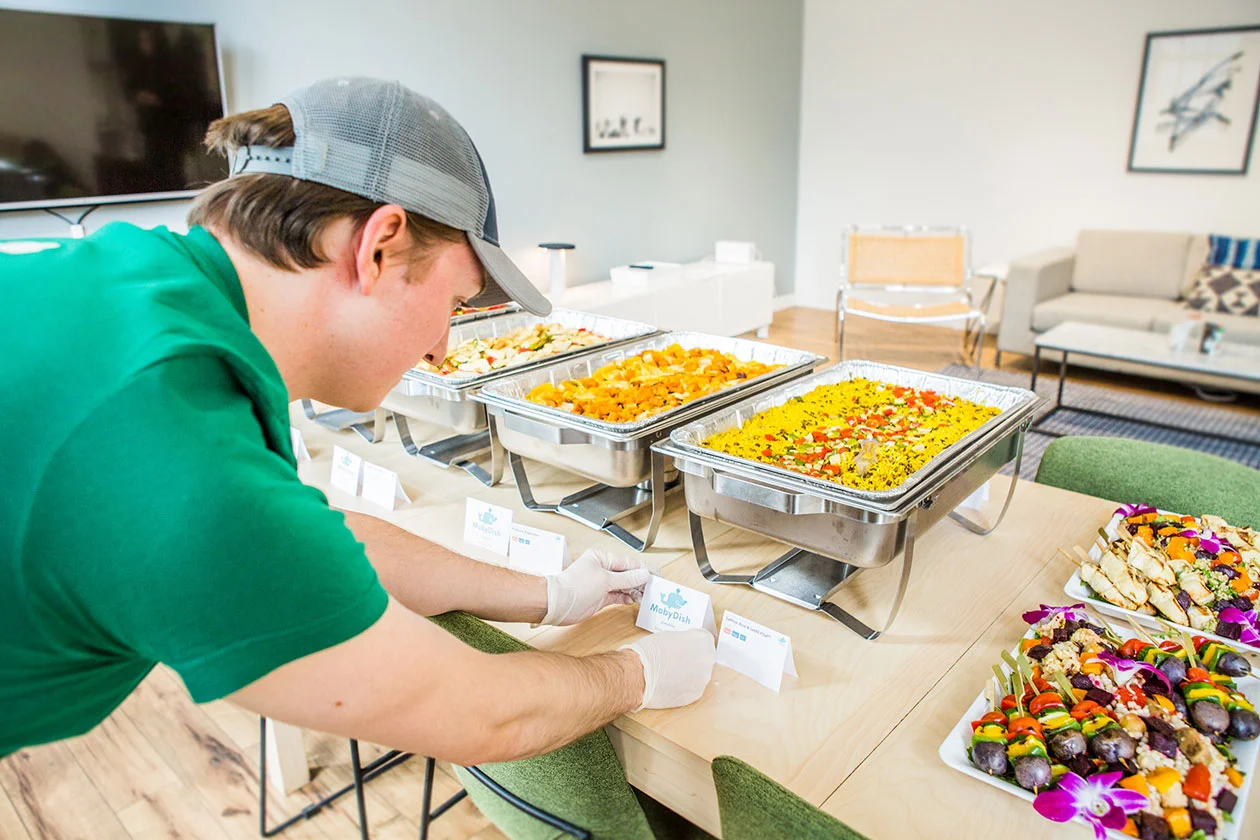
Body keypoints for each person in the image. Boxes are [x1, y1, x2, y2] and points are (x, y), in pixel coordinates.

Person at [0, 77, 716, 764]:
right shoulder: (173, 445)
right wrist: (638, 673)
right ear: (378, 247)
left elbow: (308, 543)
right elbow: (478, 711)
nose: (442, 345)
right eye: (457, 302)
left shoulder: (141, 276)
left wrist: (551, 595)